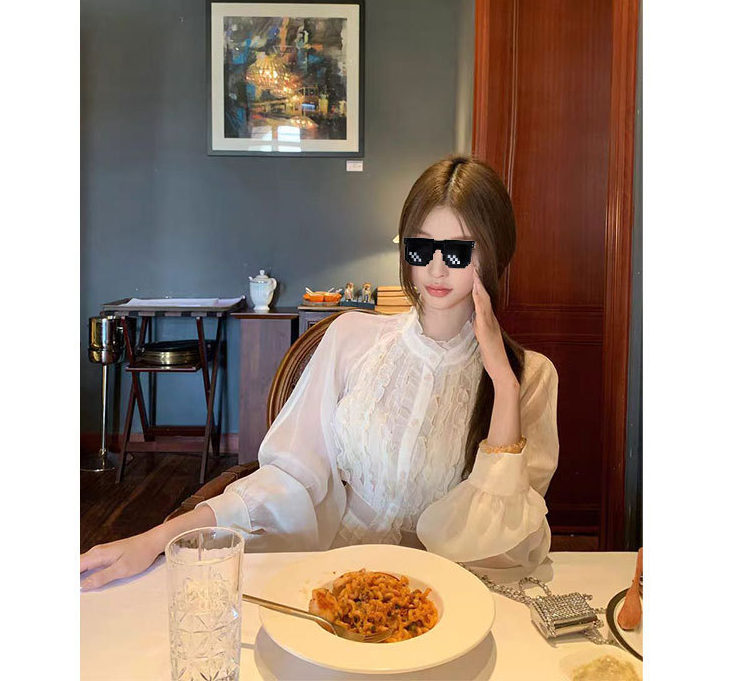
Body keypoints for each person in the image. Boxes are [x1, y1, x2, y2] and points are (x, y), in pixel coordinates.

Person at [80, 155, 559, 591]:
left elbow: (501, 548)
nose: (436, 269)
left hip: (447, 595)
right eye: (421, 248)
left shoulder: (530, 378)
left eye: (456, 252)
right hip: (335, 578)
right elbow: (290, 479)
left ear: (493, 254)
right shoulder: (353, 338)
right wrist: (158, 538)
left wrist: (503, 383)